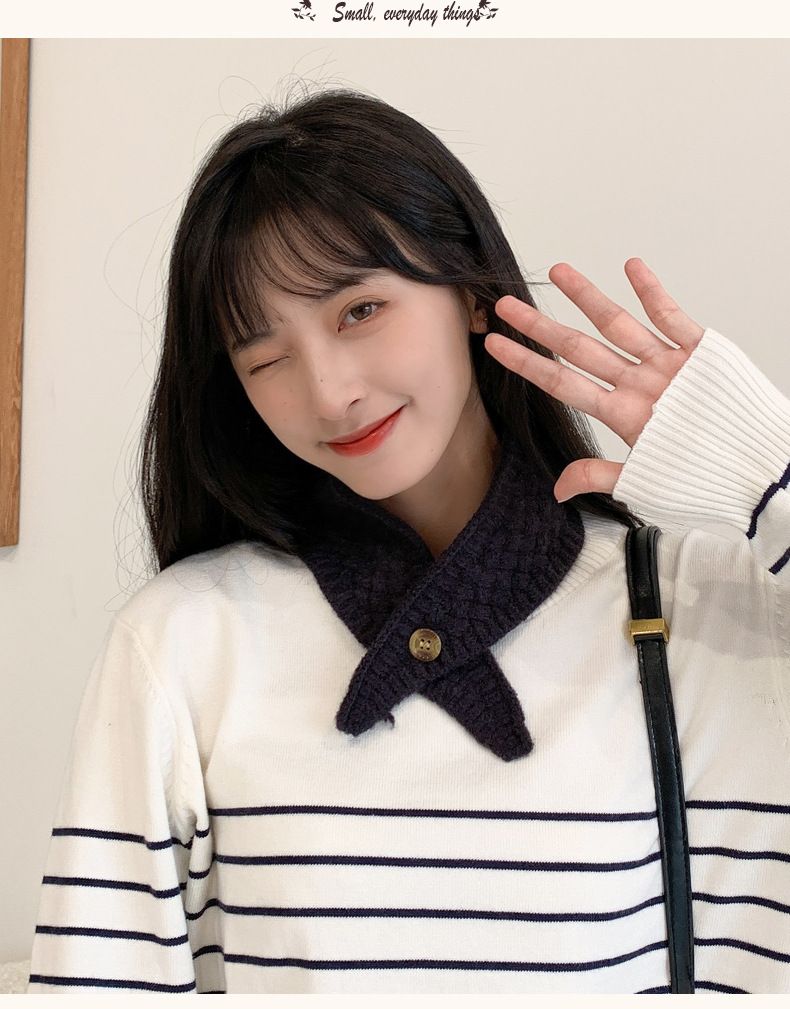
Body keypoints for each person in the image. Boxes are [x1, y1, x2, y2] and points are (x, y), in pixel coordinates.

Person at [27, 87, 789, 995]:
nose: (329, 392)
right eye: (264, 355)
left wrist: (767, 466)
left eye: (359, 310)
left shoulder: (711, 605)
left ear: (470, 292)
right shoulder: (183, 643)